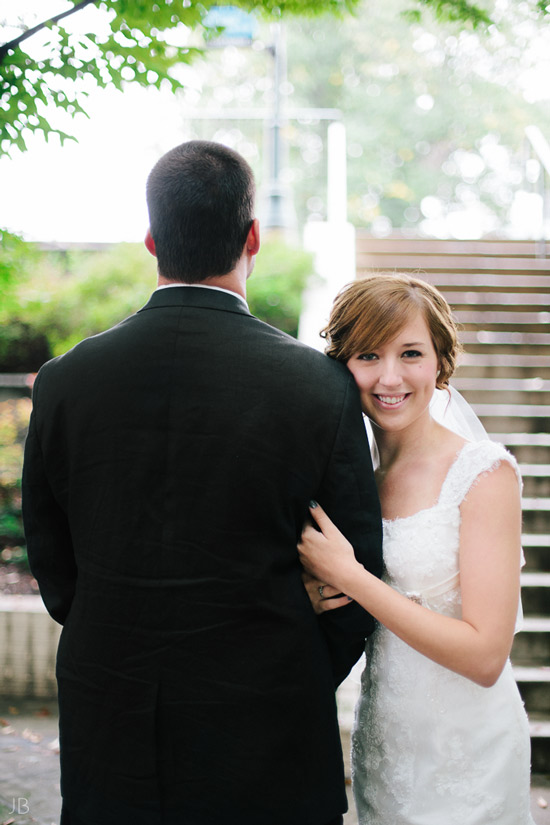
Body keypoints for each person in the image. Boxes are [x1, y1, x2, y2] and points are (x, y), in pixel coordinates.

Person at [21, 140, 383, 825]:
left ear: (152, 240)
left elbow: (53, 561)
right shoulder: (316, 386)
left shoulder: (67, 381)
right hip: (270, 729)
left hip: (112, 716)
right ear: (252, 238)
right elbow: (357, 570)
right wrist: (289, 670)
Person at [298, 273, 535, 825]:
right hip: (385, 744)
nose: (390, 377)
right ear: (342, 365)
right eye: (367, 355)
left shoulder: (483, 473)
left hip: (468, 753)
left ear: (439, 362)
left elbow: (484, 656)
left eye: (411, 353)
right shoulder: (359, 481)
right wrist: (314, 593)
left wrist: (352, 577)